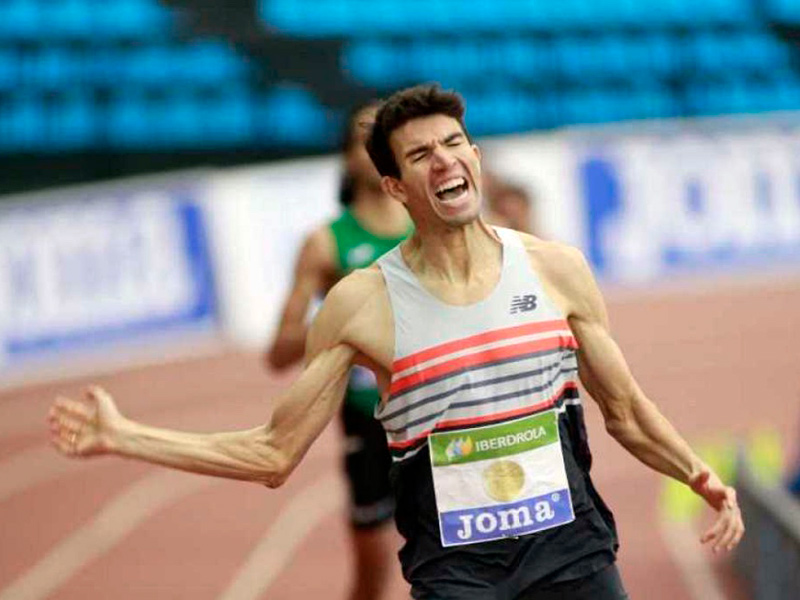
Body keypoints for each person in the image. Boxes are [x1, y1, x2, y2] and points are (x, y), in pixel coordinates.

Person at [48, 84, 744, 599]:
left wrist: (699, 476)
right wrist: (125, 436)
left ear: (475, 156)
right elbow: (272, 453)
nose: (443, 162)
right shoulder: (363, 303)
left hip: (573, 556)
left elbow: (624, 409)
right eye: (420, 155)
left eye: (452, 144)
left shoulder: (557, 270)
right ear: (396, 185)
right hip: (457, 577)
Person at [265, 101, 412, 600]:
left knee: (463, 559)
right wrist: (340, 326)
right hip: (368, 421)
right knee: (373, 572)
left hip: (441, 409)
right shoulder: (326, 244)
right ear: (347, 157)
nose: (371, 151)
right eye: (360, 140)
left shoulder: (435, 222)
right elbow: (278, 354)